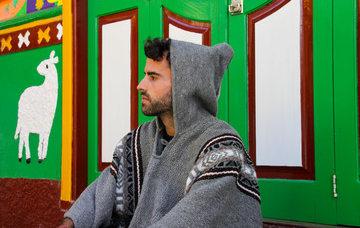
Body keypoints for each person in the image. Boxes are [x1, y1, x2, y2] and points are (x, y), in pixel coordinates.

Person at [58, 38, 262, 228]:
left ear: (186, 87)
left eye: (153, 77)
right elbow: (101, 192)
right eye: (146, 74)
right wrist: (69, 223)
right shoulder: (137, 141)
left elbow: (191, 220)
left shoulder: (222, 148)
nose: (141, 85)